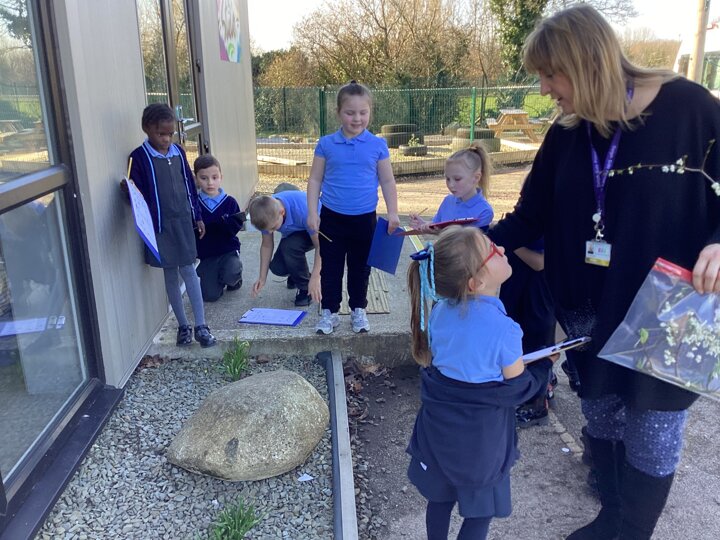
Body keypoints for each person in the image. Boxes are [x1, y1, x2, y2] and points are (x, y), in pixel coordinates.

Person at [489, 5, 720, 539]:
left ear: (586, 62)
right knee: (604, 417)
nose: (544, 89)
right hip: (587, 309)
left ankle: (632, 531)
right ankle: (612, 517)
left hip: (669, 308)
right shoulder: (567, 133)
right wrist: (476, 241)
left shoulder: (690, 108)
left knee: (654, 431)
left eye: (551, 74)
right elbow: (529, 215)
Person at [406, 226, 555, 540]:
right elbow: (518, 385)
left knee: (439, 499)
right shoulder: (505, 329)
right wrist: (544, 365)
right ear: (476, 282)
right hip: (480, 444)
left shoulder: (439, 312)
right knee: (480, 510)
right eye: (492, 250)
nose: (502, 249)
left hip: (437, 432)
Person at [307, 80, 400, 334]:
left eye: (363, 112)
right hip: (331, 219)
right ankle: (330, 311)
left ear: (370, 112)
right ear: (338, 112)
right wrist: (312, 212)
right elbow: (315, 180)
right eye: (350, 113)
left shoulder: (378, 146)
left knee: (360, 268)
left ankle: (359, 309)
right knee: (331, 267)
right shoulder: (326, 144)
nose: (357, 119)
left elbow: (388, 181)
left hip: (364, 219)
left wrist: (393, 212)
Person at [126, 103, 216, 348]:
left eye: (170, 134)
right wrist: (127, 191)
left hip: (183, 222)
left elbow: (189, 186)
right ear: (147, 129)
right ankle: (183, 326)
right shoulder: (139, 157)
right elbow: (136, 195)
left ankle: (201, 326)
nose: (166, 139)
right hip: (160, 226)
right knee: (170, 274)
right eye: (160, 134)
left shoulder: (178, 152)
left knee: (189, 270)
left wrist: (197, 216)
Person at [499, 237, 558, 428]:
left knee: (536, 344)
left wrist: (509, 241)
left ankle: (536, 405)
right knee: (518, 343)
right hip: (517, 288)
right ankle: (541, 388)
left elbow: (540, 263)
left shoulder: (551, 225)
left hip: (538, 293)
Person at [248, 186, 321, 307]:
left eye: (273, 228)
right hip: (296, 232)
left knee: (290, 246)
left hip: (318, 229)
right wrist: (262, 278)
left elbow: (321, 247)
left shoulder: (303, 211)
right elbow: (266, 245)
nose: (269, 232)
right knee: (277, 268)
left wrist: (315, 277)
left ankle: (305, 289)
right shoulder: (266, 214)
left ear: (282, 212)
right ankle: (296, 274)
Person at [408, 142, 494, 233]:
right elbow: (437, 225)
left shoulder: (484, 211)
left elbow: (468, 240)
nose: (451, 185)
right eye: (447, 179)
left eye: (457, 179)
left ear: (476, 178)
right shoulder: (448, 201)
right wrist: (424, 225)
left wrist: (440, 231)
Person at [193, 154, 244, 302]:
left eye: (214, 177)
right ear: (196, 179)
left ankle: (234, 279)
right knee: (210, 296)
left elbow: (236, 225)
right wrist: (219, 224)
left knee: (231, 273)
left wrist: (215, 226)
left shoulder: (230, 202)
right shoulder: (194, 204)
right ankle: (217, 280)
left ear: (221, 177)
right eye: (204, 178)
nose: (210, 182)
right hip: (207, 256)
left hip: (228, 251)